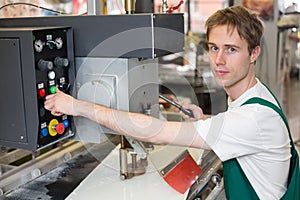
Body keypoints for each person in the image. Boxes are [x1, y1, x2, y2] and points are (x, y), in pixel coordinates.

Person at [45, 6, 294, 199]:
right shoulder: (257, 94)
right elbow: (240, 131)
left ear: (254, 53)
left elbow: (158, 133)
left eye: (231, 50)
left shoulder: (252, 119)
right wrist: (206, 122)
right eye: (214, 47)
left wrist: (76, 106)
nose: (219, 60)